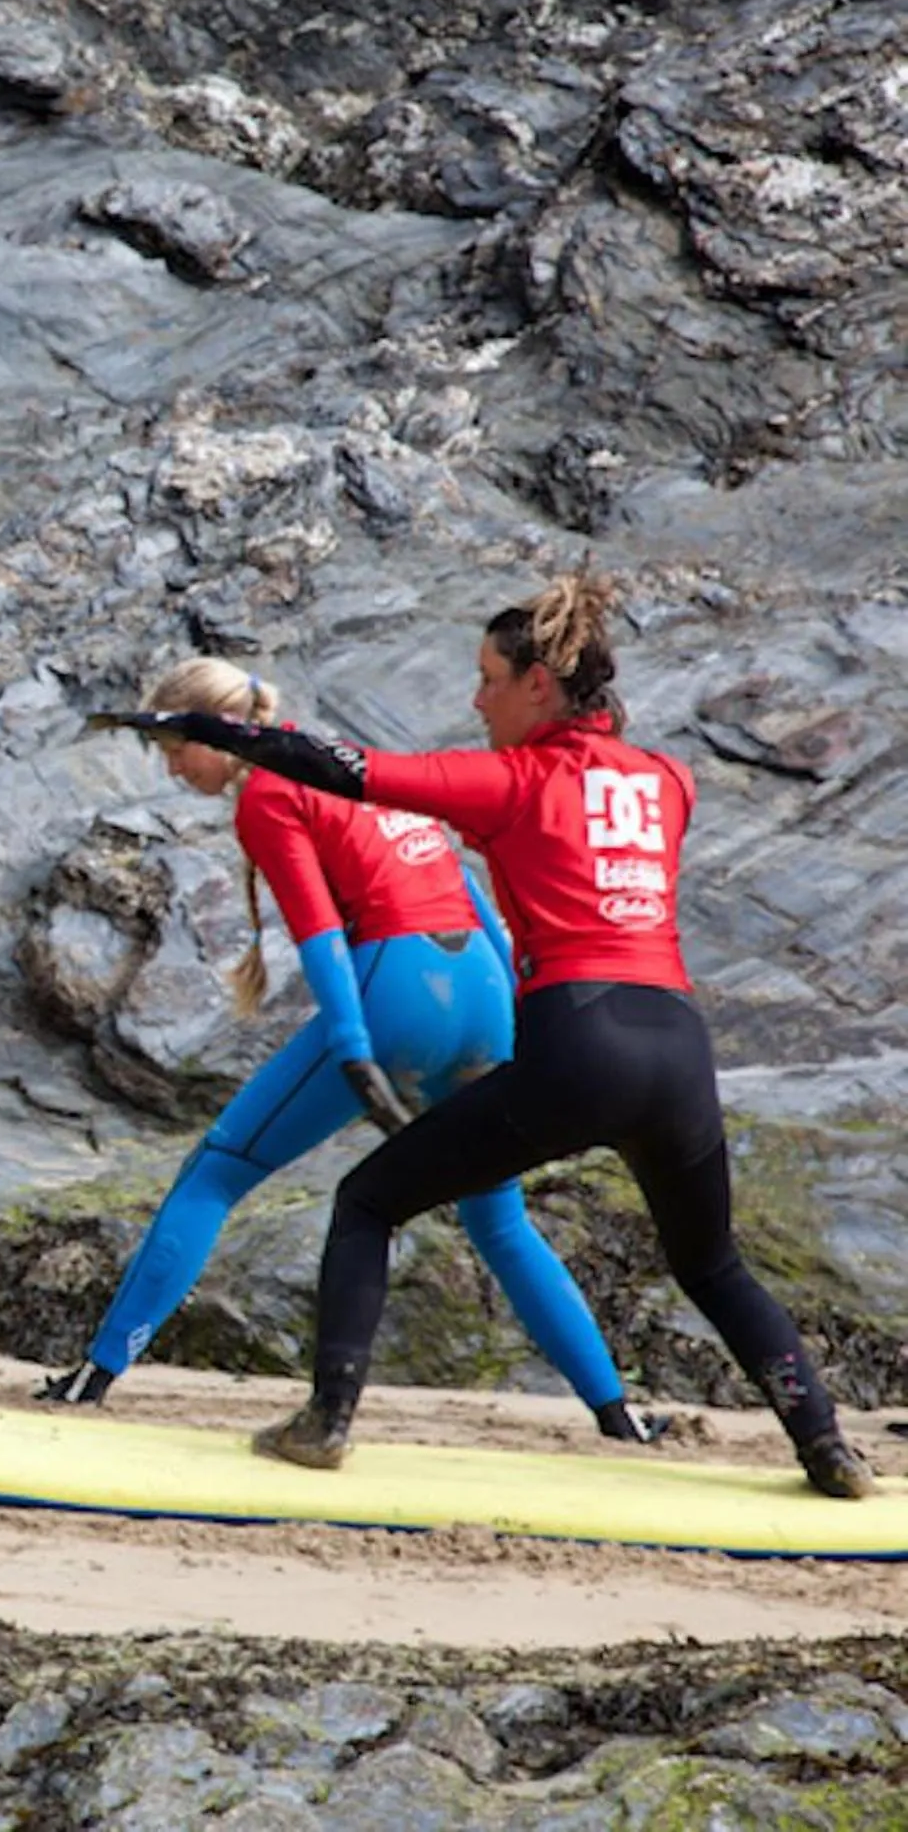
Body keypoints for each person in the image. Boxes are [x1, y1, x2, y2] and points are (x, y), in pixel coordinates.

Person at [97, 573, 875, 1498]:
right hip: (676, 1044)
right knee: (711, 1263)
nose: (476, 700)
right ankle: (825, 1444)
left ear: (538, 685)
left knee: (367, 1202)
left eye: (489, 680)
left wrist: (221, 731)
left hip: (575, 1043)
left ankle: (325, 1422)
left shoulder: (508, 780)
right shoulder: (670, 780)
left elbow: (350, 770)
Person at [42, 657, 651, 1443]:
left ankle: (93, 1378)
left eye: (175, 748)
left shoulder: (268, 790)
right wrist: (523, 1013)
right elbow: (470, 893)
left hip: (398, 986)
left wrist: (356, 1048)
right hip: (478, 988)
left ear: (216, 732)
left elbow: (321, 938)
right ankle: (617, 1413)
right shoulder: (347, 757)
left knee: (218, 1172)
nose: (171, 765)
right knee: (498, 1218)